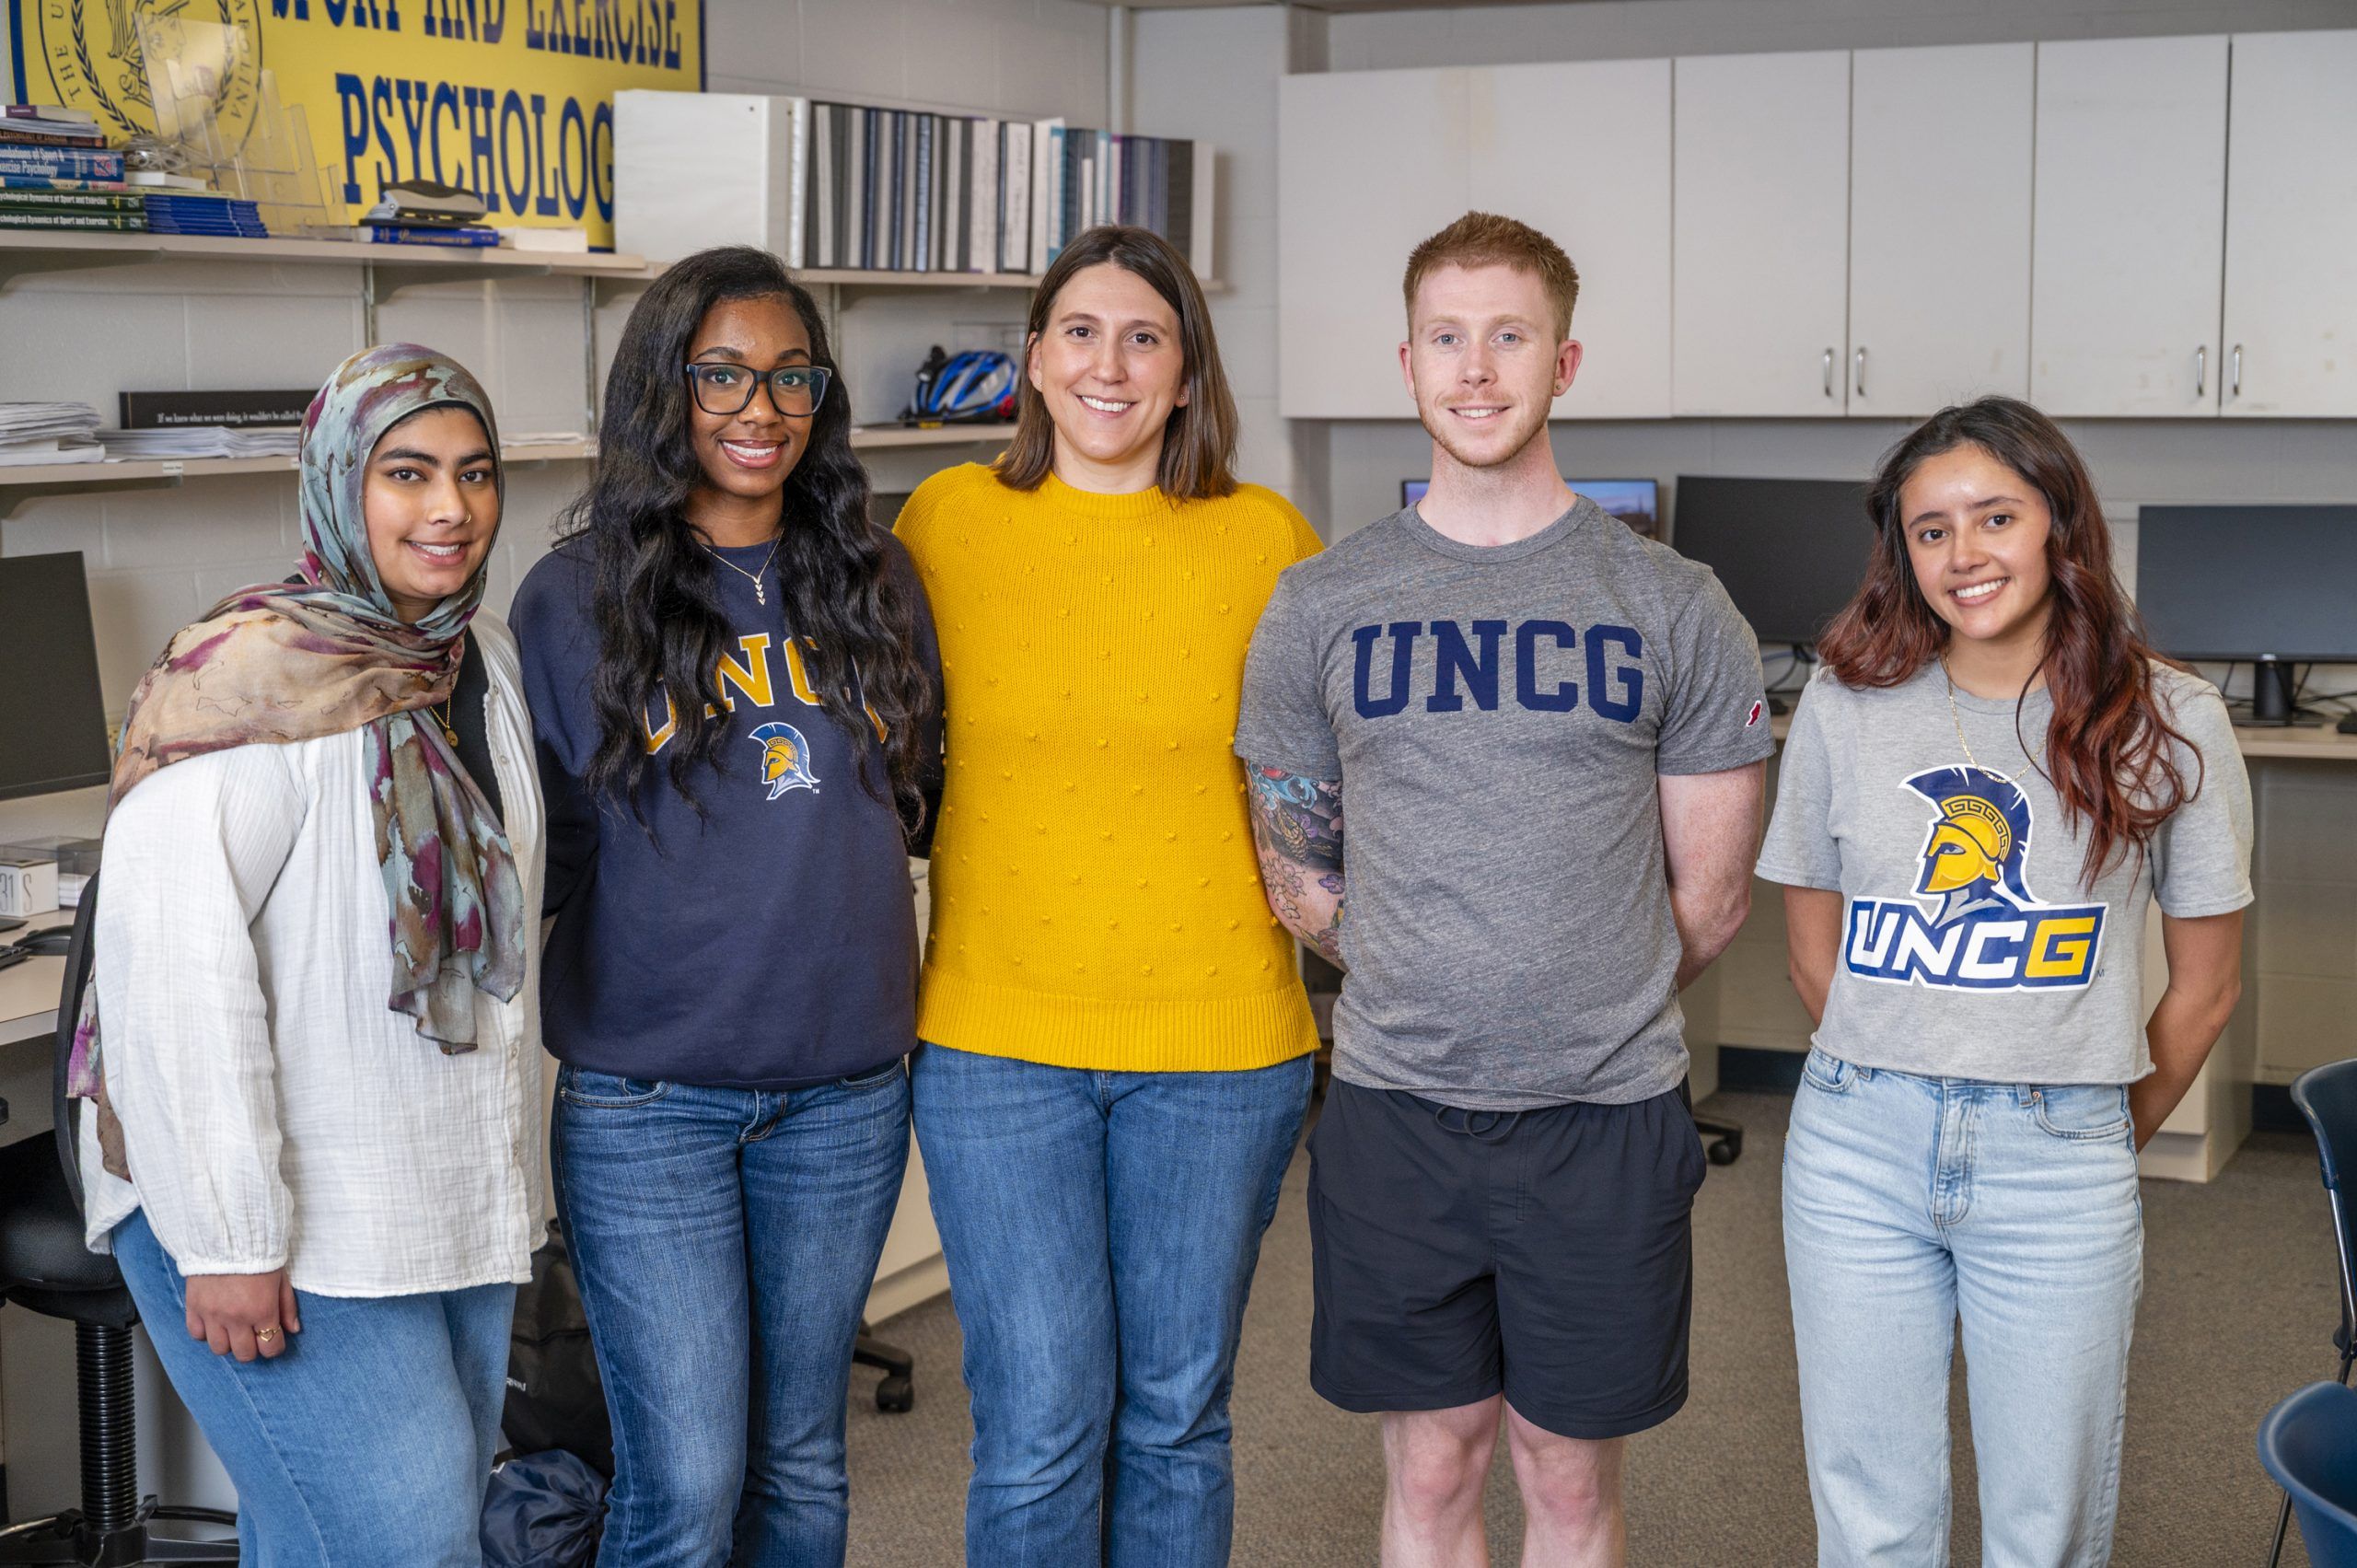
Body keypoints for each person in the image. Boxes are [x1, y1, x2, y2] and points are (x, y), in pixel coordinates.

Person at [1234, 210, 1774, 1568]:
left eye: (1510, 336)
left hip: (1604, 1113)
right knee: (1431, 1463)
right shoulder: (1320, 601)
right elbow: (1297, 869)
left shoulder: (1673, 601)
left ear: (1564, 361)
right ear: (1407, 363)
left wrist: (1575, 986)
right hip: (1396, 1108)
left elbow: (1710, 899)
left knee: (1567, 1476)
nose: (1476, 369)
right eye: (1447, 337)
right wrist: (1432, 972)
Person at [1757, 396, 2250, 1568]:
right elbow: (1814, 951)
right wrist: (1905, 1061)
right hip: (1855, 1148)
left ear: (2058, 523)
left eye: (1994, 517)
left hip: (2058, 1155)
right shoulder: (1844, 701)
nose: (1962, 553)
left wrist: (2087, 1127)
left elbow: (2205, 988)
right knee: (1869, 1515)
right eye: (1930, 530)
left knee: (2045, 1522)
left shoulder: (2168, 716)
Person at [894, 224, 1322, 1566]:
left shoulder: (1266, 539)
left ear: (1188, 372)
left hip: (1220, 1048)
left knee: (1176, 1418)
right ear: (1034, 358)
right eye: (1080, 332)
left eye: (1146, 337)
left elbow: (1331, 777)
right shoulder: (945, 522)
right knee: (1036, 1422)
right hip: (995, 1045)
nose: (1109, 365)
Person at [75, 343, 542, 1566]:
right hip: (269, 1196)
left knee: (337, 1532)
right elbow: (173, 986)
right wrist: (228, 1240)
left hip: (434, 1184)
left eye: (476, 471)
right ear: (339, 480)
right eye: (408, 472)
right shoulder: (244, 681)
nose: (451, 506)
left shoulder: (477, 657)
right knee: (410, 1539)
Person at [510, 246, 941, 1568]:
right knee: (687, 1481)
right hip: (650, 1100)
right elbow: (550, 841)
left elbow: (914, 794)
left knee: (800, 1457)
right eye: (723, 375)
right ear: (666, 388)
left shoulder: (877, 577)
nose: (762, 407)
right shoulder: (575, 595)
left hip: (844, 1090)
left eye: (791, 376)